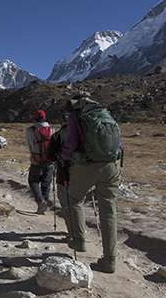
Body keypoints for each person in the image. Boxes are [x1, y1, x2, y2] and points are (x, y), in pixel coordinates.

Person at [61, 94, 123, 273]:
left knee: (74, 199)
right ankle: (110, 259)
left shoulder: (76, 115)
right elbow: (119, 142)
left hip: (86, 166)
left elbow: (71, 143)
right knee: (109, 211)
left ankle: (79, 240)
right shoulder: (105, 113)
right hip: (112, 166)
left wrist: (65, 157)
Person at [46, 113, 72, 242]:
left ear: (61, 123)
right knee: (78, 202)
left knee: (67, 203)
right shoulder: (82, 134)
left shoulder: (57, 136)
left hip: (64, 174)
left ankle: (73, 233)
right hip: (82, 174)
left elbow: (49, 156)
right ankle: (80, 229)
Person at [25, 109, 55, 215]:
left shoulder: (30, 130)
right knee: (46, 185)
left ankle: (40, 201)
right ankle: (45, 207)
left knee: (33, 182)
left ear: (35, 118)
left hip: (36, 161)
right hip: (49, 162)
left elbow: (29, 146)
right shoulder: (51, 130)